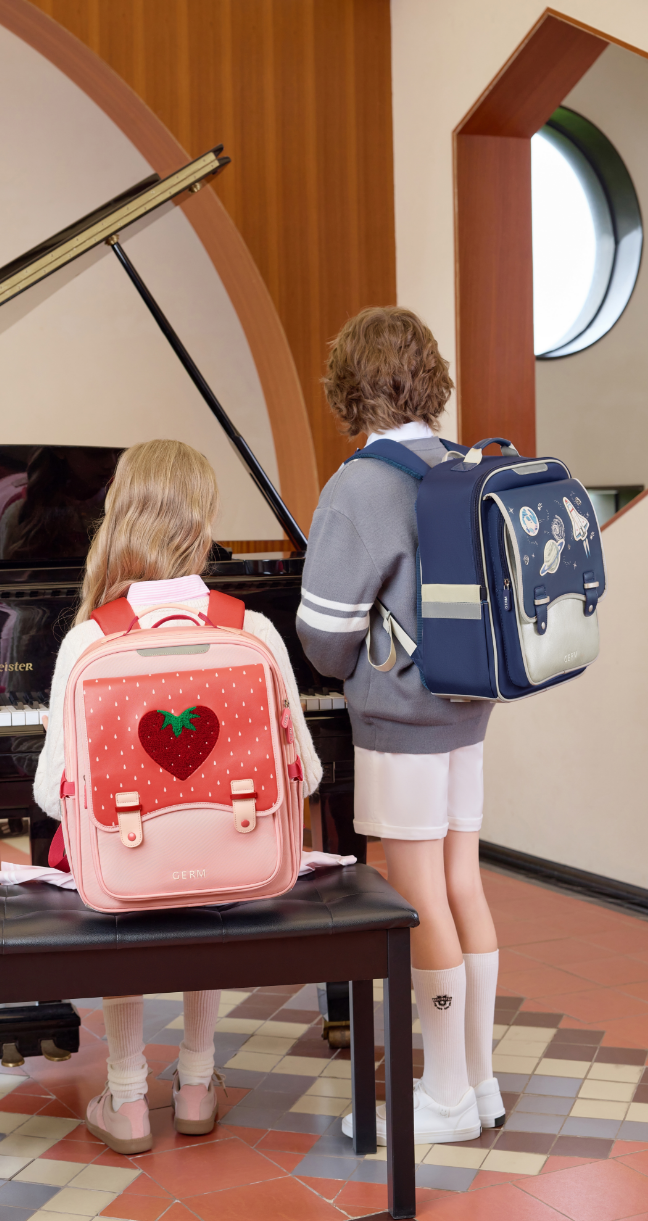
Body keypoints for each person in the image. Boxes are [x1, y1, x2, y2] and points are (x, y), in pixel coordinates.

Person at [33, 438, 322, 1155]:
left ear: (121, 516)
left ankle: (127, 1097)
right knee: (206, 872)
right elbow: (308, 777)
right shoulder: (250, 629)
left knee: (119, 872)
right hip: (234, 873)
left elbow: (50, 795)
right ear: (203, 520)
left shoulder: (88, 640)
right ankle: (196, 1082)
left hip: (124, 881)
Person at [296, 307, 501, 1145]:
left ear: (349, 386)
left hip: (400, 720)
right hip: (469, 712)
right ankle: (479, 1080)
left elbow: (325, 638)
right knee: (463, 882)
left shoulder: (359, 487)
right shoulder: (462, 466)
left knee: (418, 894)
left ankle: (444, 1095)